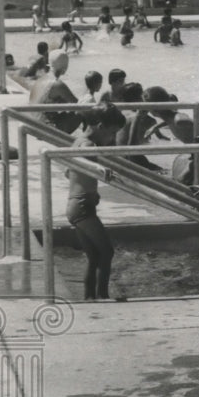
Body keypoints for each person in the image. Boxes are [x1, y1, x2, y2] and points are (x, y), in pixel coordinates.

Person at [66, 103, 127, 300]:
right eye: (112, 133)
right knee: (107, 252)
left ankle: (90, 298)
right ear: (100, 127)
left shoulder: (78, 141)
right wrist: (97, 169)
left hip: (78, 205)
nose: (112, 139)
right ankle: (102, 296)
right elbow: (78, 160)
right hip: (82, 206)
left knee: (93, 257)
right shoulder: (88, 145)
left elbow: (69, 171)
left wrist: (90, 188)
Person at [31, 50, 80, 133]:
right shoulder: (58, 84)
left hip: (34, 124)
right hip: (46, 129)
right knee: (81, 113)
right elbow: (78, 104)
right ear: (66, 65)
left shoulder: (41, 79)